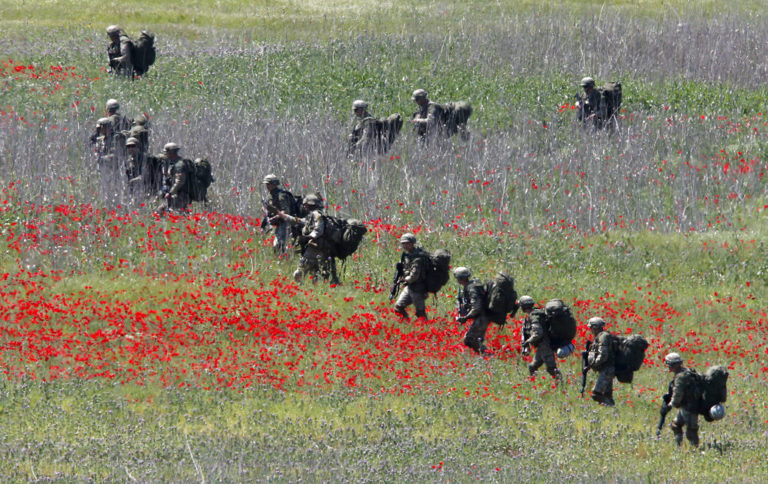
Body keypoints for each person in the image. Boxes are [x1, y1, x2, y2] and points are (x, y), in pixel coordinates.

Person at [276, 194, 338, 284]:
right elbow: (299, 221)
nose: (304, 206)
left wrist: (309, 237)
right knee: (315, 275)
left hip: (314, 249)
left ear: (309, 205)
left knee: (298, 273)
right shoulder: (311, 216)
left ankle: (300, 289)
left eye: (305, 204)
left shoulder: (316, 215)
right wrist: (284, 216)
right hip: (317, 249)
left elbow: (318, 229)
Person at [662, 352, 701, 447]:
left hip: (690, 407)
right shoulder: (688, 372)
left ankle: (694, 450)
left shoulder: (680, 377)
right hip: (686, 407)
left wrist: (671, 404)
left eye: (669, 364)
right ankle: (678, 446)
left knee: (691, 431)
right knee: (676, 425)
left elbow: (677, 394)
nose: (668, 367)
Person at [519, 296, 561, 381]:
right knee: (532, 367)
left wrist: (528, 341)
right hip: (541, 347)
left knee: (551, 368)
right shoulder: (537, 312)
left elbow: (538, 333)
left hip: (545, 346)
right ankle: (532, 383)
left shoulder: (534, 316)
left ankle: (561, 384)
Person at [393, 233, 429, 321]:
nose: (405, 245)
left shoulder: (418, 257)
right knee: (398, 307)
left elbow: (414, 275)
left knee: (420, 313)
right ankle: (406, 323)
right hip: (409, 287)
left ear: (412, 243)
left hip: (418, 288)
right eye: (404, 244)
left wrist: (404, 280)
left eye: (407, 243)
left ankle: (426, 329)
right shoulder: (407, 256)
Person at [454, 267, 490, 354]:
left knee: (469, 339)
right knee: (474, 339)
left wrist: (466, 317)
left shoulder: (472, 289)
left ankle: (488, 354)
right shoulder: (472, 285)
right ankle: (484, 355)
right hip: (484, 315)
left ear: (459, 279)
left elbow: (476, 307)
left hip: (483, 316)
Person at [262, 174, 296, 255]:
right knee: (278, 245)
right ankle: (281, 258)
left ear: (274, 184)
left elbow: (286, 211)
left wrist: (275, 217)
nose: (267, 186)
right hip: (279, 222)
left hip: (286, 222)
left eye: (269, 184)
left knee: (278, 245)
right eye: (266, 184)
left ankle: (282, 259)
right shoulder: (271, 195)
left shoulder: (281, 195)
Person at [586, 316, 616, 406]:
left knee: (596, 394)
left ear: (595, 328)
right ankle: (611, 412)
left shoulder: (603, 337)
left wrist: (593, 364)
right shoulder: (602, 336)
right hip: (607, 368)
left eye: (591, 328)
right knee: (607, 394)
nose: (590, 330)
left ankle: (610, 406)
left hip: (608, 369)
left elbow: (603, 354)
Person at [162, 143, 191, 212]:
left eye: (166, 153)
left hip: (180, 195)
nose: (165, 155)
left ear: (171, 153)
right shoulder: (174, 162)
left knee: (178, 213)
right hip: (177, 194)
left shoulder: (179, 165)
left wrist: (170, 193)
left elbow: (179, 181)